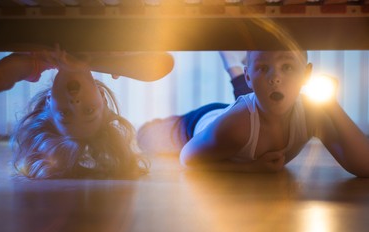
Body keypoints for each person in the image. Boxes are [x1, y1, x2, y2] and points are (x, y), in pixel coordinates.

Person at [138, 50, 369, 177]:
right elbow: (187, 158)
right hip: (199, 124)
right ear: (249, 77)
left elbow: (365, 165)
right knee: (145, 137)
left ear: (306, 75)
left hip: (250, 111)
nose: (275, 77)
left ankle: (235, 65)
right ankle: (237, 66)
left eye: (287, 67)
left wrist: (332, 106)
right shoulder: (235, 127)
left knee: (269, 96)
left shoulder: (311, 114)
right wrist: (250, 168)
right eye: (262, 68)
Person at [0, 48, 174, 179]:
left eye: (65, 113)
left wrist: (1, 77)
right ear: (102, 98)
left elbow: (16, 68)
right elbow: (164, 63)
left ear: (49, 101)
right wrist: (87, 62)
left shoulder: (41, 58)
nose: (75, 103)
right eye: (88, 110)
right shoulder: (113, 58)